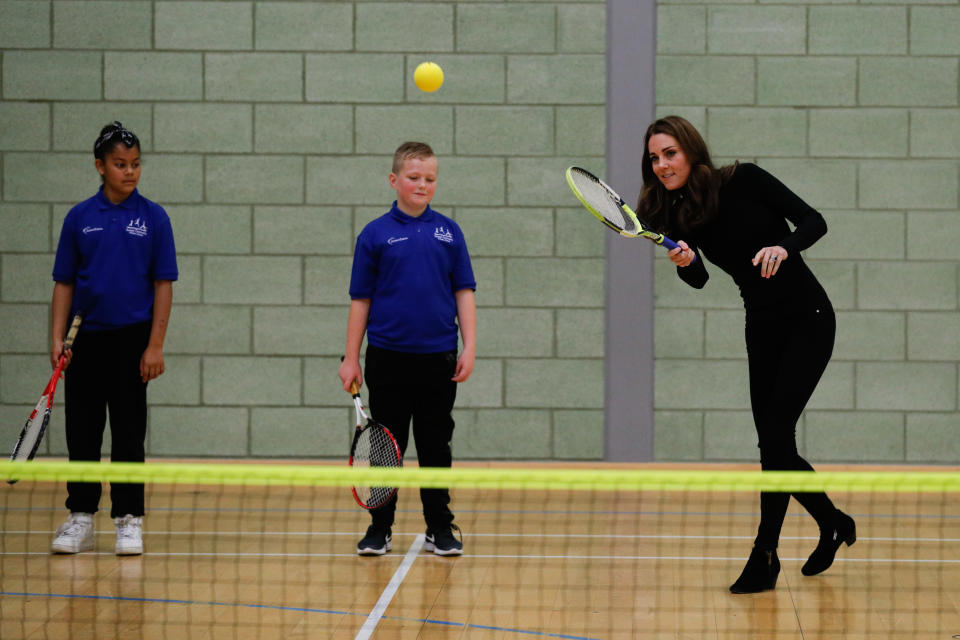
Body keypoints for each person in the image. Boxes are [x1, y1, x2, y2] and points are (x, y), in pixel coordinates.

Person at [637, 116, 855, 593]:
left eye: (669, 153)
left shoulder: (744, 179)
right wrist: (686, 264)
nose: (661, 165)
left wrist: (784, 244)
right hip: (761, 326)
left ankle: (766, 554)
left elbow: (814, 221)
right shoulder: (675, 214)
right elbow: (699, 279)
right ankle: (833, 521)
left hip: (809, 317)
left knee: (776, 436)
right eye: (654, 158)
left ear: (691, 151)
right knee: (774, 445)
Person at [338, 141, 476, 557]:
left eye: (430, 179)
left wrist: (470, 346)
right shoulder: (375, 234)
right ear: (394, 180)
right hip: (387, 359)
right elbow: (360, 299)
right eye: (414, 177)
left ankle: (440, 526)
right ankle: (380, 527)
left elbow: (464, 291)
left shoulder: (449, 232)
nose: (422, 185)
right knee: (387, 447)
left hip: (439, 359)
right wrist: (350, 357)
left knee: (436, 446)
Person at [49, 121, 178, 556]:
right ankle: (80, 516)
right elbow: (64, 283)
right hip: (85, 341)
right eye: (120, 164)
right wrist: (57, 339)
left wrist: (154, 345)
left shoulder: (154, 218)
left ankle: (128, 519)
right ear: (100, 167)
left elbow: (164, 284)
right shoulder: (79, 218)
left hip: (132, 341)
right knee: (82, 434)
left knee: (127, 434)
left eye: (136, 163)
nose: (130, 171)